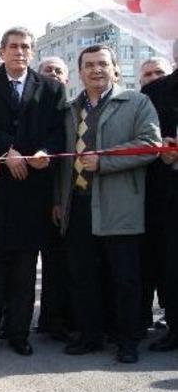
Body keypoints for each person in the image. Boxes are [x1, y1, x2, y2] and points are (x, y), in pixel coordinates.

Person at [0, 27, 67, 356]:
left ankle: (18, 333)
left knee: (24, 266)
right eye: (13, 47)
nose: (20, 52)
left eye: (25, 47)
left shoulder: (51, 88)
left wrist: (43, 153)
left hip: (33, 190)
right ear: (1, 52)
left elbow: (58, 132)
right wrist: (6, 149)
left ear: (32, 52)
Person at [55, 44, 161, 364]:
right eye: (89, 65)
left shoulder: (136, 102)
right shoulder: (70, 109)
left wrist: (103, 161)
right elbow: (64, 161)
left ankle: (127, 340)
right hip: (79, 205)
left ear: (116, 69)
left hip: (120, 204)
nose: (96, 70)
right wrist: (59, 201)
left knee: (124, 277)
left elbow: (150, 145)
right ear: (79, 72)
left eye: (103, 64)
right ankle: (90, 335)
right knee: (84, 274)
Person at [142, 41, 178, 352]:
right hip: (168, 194)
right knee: (171, 263)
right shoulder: (155, 92)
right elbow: (143, 137)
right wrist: (161, 148)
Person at [34, 56, 74, 341]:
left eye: (59, 71)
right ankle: (48, 319)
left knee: (64, 262)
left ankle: (64, 319)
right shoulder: (34, 108)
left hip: (69, 194)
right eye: (47, 70)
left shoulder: (73, 110)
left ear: (67, 78)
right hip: (37, 193)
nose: (53, 74)